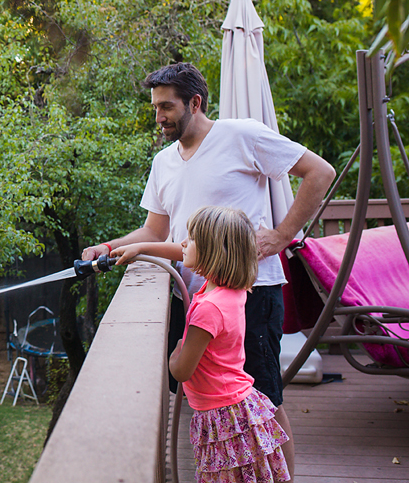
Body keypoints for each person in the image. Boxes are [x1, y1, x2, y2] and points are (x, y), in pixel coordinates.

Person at [82, 62, 335, 481]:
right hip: (197, 298)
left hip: (250, 296)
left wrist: (283, 234)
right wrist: (108, 247)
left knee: (265, 400)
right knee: (218, 401)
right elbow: (155, 229)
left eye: (166, 106)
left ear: (194, 103)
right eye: (155, 108)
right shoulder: (163, 162)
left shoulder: (241, 135)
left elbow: (320, 172)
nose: (159, 117)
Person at [121, 206, 291, 482]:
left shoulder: (208, 307)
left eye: (191, 238)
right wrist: (139, 247)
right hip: (237, 405)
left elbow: (181, 372)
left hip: (222, 415)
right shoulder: (230, 292)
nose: (183, 243)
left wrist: (175, 351)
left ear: (214, 250)